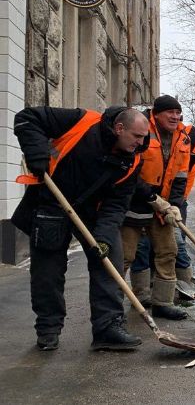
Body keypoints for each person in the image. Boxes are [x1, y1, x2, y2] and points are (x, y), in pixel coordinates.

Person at [12, 106, 148, 351]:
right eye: (136, 136)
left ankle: (108, 328)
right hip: (52, 201)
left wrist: (105, 237)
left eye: (143, 137)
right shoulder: (82, 122)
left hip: (93, 212)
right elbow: (27, 118)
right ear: (119, 128)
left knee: (110, 260)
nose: (140, 143)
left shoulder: (133, 160)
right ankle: (48, 329)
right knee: (47, 270)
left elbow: (116, 204)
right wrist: (36, 152)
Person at [120, 95, 190, 320]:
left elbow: (181, 176)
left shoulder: (182, 138)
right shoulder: (141, 130)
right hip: (135, 202)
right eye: (170, 112)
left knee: (168, 251)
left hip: (162, 207)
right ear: (156, 114)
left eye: (178, 112)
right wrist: (150, 197)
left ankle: (163, 302)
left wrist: (174, 205)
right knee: (126, 255)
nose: (175, 116)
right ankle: (112, 307)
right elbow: (129, 171)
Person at [128, 124, 195, 301]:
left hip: (171, 204)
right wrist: (154, 199)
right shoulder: (148, 136)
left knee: (173, 247)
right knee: (141, 247)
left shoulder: (186, 153)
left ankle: (176, 293)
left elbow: (179, 182)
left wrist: (175, 205)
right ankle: (142, 294)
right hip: (142, 201)